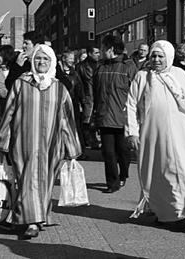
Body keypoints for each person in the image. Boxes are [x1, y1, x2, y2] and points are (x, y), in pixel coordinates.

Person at [0, 44, 82, 239]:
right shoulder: (21, 84)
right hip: (23, 142)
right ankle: (32, 221)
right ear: (31, 61)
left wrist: (72, 148)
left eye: (45, 59)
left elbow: (67, 118)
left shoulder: (59, 88)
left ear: (52, 63)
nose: (41, 62)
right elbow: (8, 112)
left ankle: (40, 215)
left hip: (52, 145)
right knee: (28, 179)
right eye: (37, 59)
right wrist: (2, 141)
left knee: (45, 181)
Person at [126, 40, 185, 228]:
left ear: (168, 57)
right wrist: (132, 132)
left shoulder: (180, 75)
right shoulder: (142, 76)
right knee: (160, 174)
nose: (156, 59)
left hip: (181, 134)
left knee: (184, 173)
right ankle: (166, 212)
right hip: (153, 135)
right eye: (154, 55)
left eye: (160, 56)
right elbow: (130, 105)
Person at [94, 35, 138, 193]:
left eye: (102, 48)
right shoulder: (100, 67)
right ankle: (112, 183)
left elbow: (136, 93)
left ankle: (123, 174)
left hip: (122, 118)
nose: (100, 51)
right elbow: (95, 92)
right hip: (104, 117)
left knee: (123, 151)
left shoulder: (128, 67)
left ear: (110, 49)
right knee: (108, 152)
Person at [56, 50, 87, 159]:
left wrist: (83, 103)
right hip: (61, 104)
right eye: (70, 58)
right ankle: (64, 151)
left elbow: (80, 89)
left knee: (76, 128)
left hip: (73, 104)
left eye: (73, 58)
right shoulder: (58, 73)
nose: (72, 60)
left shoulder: (75, 73)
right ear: (63, 59)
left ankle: (79, 151)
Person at [75, 46, 101, 150]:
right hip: (87, 96)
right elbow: (78, 83)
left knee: (96, 119)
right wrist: (81, 97)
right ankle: (88, 140)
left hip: (99, 96)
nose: (98, 54)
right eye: (96, 53)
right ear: (90, 53)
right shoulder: (81, 66)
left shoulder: (101, 65)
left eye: (99, 52)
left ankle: (93, 139)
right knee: (87, 120)